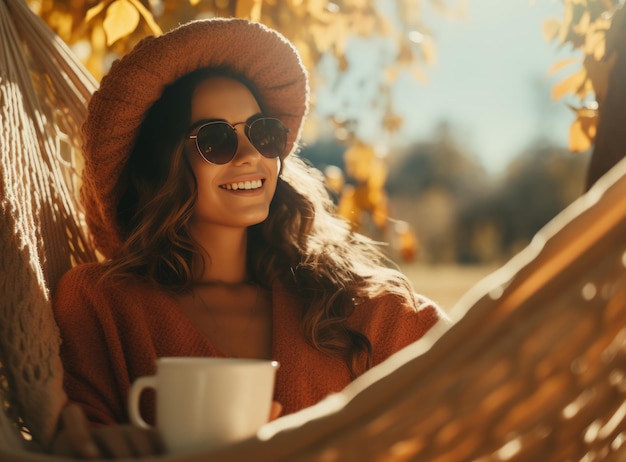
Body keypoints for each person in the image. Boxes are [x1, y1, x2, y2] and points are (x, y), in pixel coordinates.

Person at [50, 17, 450, 458]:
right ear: (161, 164)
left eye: (263, 133)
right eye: (216, 140)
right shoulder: (101, 302)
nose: (249, 155)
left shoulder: (348, 305)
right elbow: (84, 428)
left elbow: (482, 356)